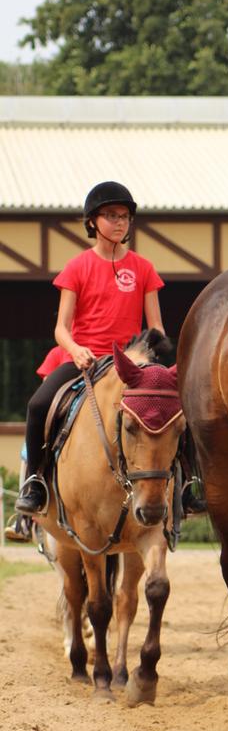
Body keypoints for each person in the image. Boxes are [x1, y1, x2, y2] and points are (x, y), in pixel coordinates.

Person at [15, 181, 165, 515]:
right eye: (111, 215)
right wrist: (76, 349)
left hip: (130, 364)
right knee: (38, 405)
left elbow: (156, 327)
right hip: (85, 360)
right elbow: (61, 329)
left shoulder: (144, 268)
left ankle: (188, 484)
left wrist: (144, 352)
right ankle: (34, 482)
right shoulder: (76, 267)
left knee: (175, 406)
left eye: (124, 216)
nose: (120, 222)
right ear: (92, 222)